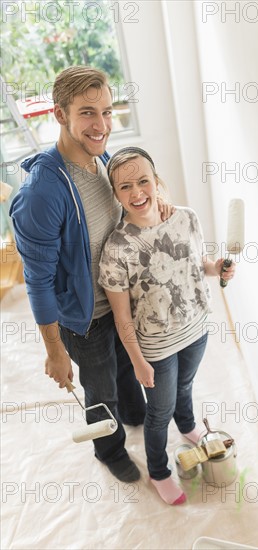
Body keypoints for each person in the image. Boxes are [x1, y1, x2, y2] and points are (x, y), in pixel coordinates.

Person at [9, 66, 173, 483]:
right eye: (86, 113)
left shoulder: (100, 157)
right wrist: (54, 350)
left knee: (124, 364)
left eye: (105, 110)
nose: (101, 125)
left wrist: (160, 203)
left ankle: (133, 413)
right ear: (60, 114)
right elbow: (38, 282)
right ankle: (109, 448)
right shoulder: (42, 195)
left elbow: (129, 199)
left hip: (119, 300)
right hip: (84, 318)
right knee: (100, 389)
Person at [98, 147, 236, 504]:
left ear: (156, 181)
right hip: (156, 347)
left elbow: (199, 264)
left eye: (143, 181)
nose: (137, 192)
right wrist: (137, 360)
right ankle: (159, 471)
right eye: (125, 186)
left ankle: (188, 424)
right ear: (115, 194)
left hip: (196, 328)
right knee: (158, 412)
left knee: (185, 385)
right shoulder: (116, 248)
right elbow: (122, 316)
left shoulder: (186, 218)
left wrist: (217, 267)